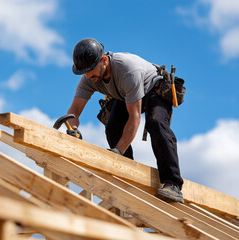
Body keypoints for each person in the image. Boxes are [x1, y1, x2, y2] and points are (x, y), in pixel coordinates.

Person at [66, 38, 184, 203]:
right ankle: (126, 173)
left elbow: (134, 118)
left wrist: (118, 152)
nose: (88, 75)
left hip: (153, 88)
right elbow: (74, 110)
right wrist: (73, 128)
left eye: (91, 70)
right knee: (113, 127)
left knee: (156, 123)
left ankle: (173, 184)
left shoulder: (127, 70)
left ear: (104, 60)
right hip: (125, 94)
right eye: (84, 72)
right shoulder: (89, 77)